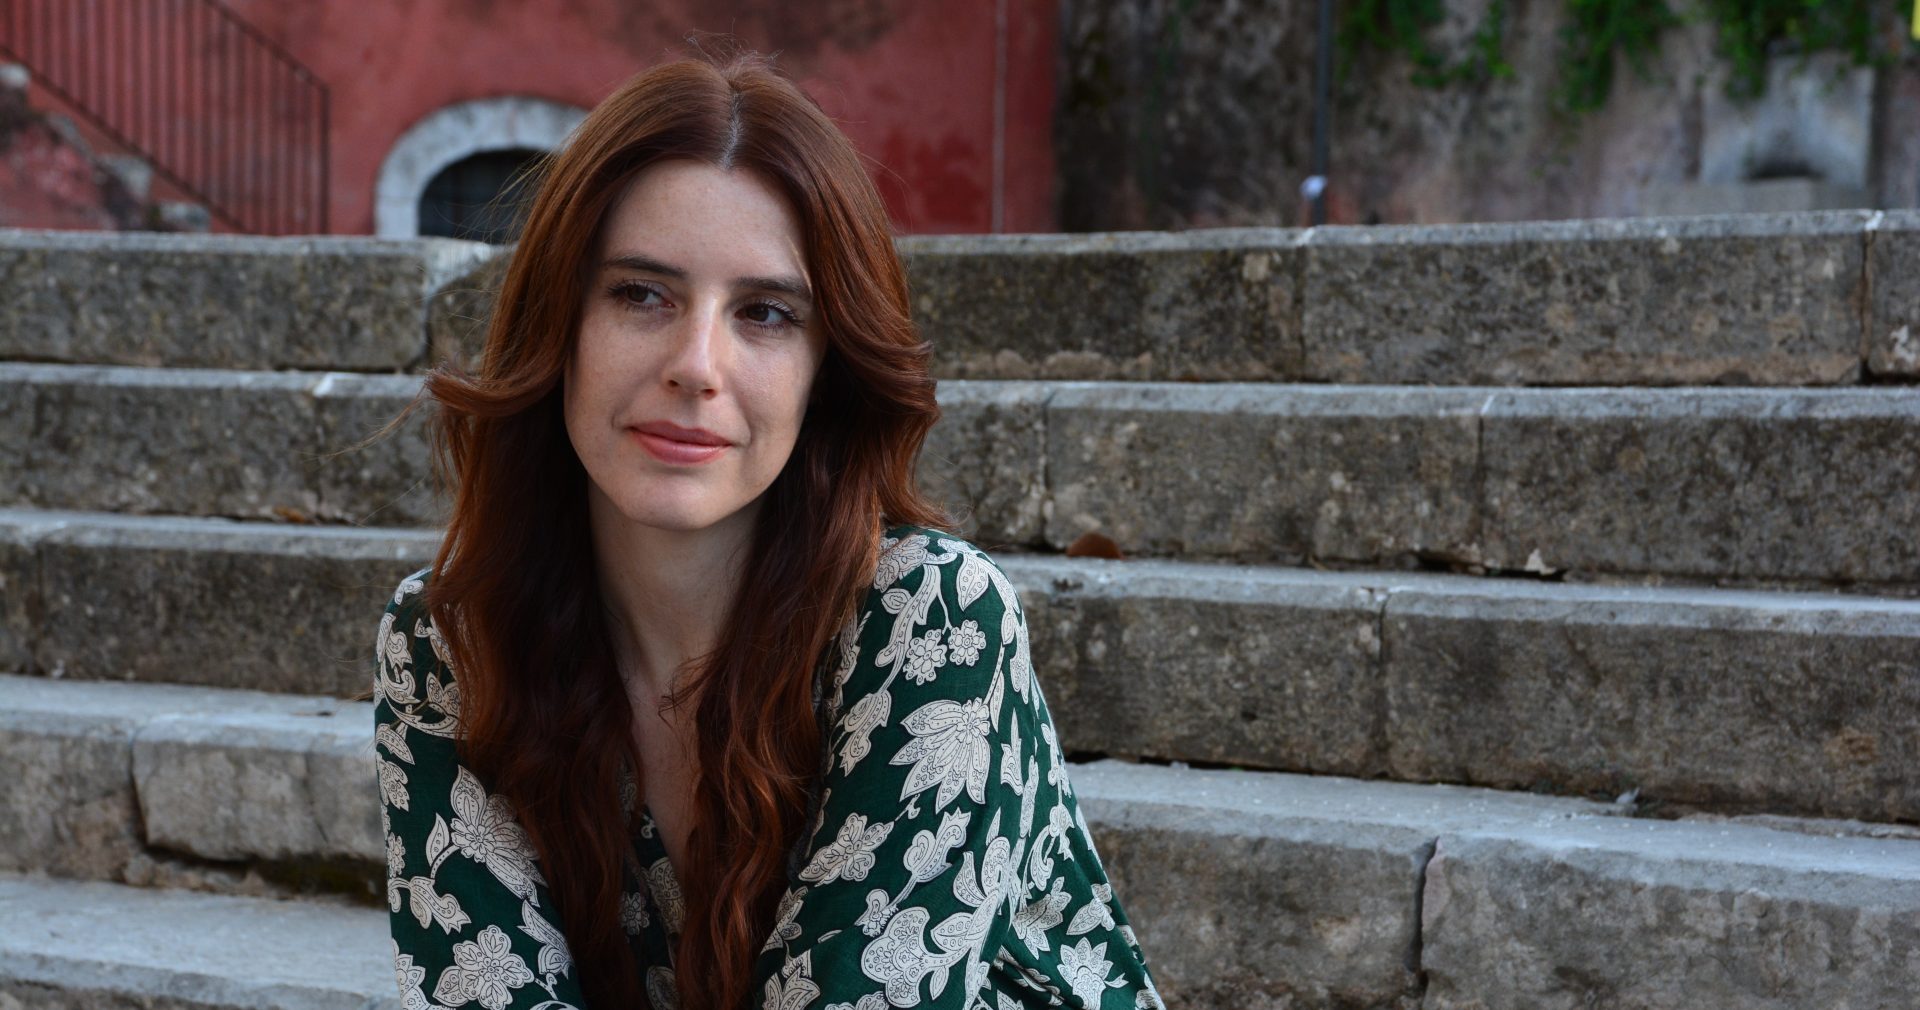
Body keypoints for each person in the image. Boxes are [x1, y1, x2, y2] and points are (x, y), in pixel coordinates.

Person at [372, 48, 1166, 1010]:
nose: (696, 366)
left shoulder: (933, 620)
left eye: (765, 313)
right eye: (641, 294)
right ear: (559, 322)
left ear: (824, 371)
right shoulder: (452, 641)